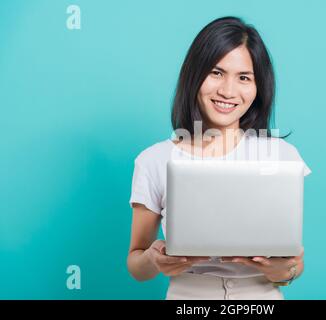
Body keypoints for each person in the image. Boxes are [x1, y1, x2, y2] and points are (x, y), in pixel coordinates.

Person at [127, 16, 312, 300]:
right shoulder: (153, 160)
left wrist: (283, 272)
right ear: (194, 74)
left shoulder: (282, 156)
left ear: (258, 87)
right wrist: (153, 259)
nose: (227, 91)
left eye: (244, 78)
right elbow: (136, 266)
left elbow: (294, 263)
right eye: (216, 72)